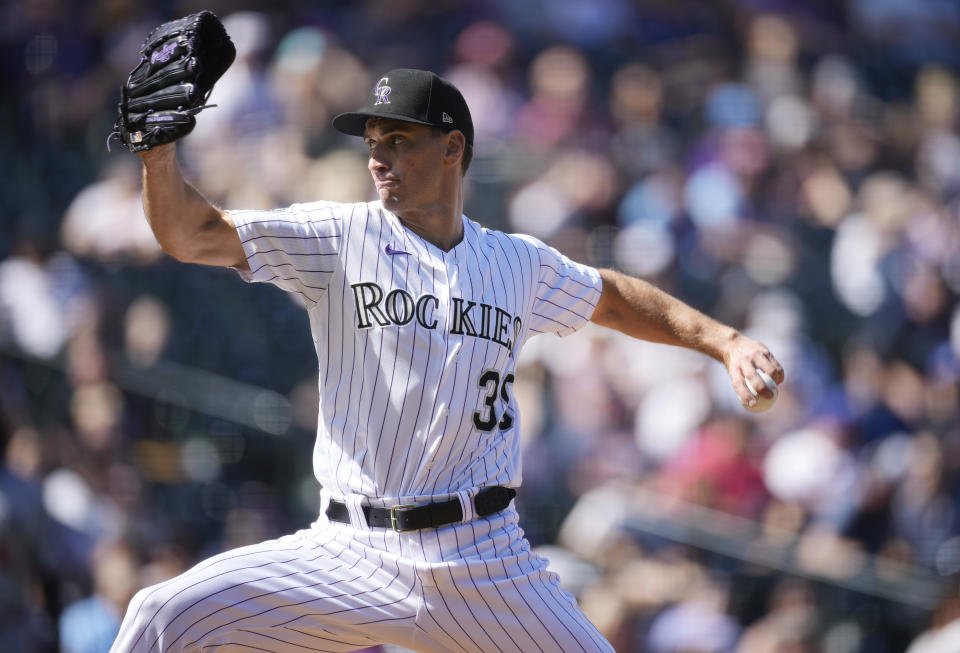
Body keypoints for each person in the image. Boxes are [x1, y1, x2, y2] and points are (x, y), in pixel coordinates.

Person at [110, 68, 784, 653]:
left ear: (452, 147)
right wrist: (158, 155)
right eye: (373, 144)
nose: (378, 158)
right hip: (350, 551)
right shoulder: (340, 236)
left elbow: (613, 297)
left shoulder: (514, 262)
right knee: (160, 615)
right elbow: (191, 234)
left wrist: (724, 340)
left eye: (398, 140)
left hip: (484, 559)